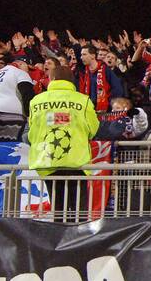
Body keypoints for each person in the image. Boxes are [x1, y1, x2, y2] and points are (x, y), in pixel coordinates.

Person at [27, 64, 100, 221]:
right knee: (79, 211)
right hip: (76, 161)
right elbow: (93, 129)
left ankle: (60, 242)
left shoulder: (36, 101)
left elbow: (32, 132)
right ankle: (78, 242)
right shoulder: (83, 100)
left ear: (52, 78)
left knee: (58, 209)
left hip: (47, 160)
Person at [0, 54, 35, 142]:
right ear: (19, 64)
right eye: (27, 68)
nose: (28, 71)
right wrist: (29, 114)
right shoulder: (20, 73)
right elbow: (27, 94)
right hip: (12, 114)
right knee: (12, 148)